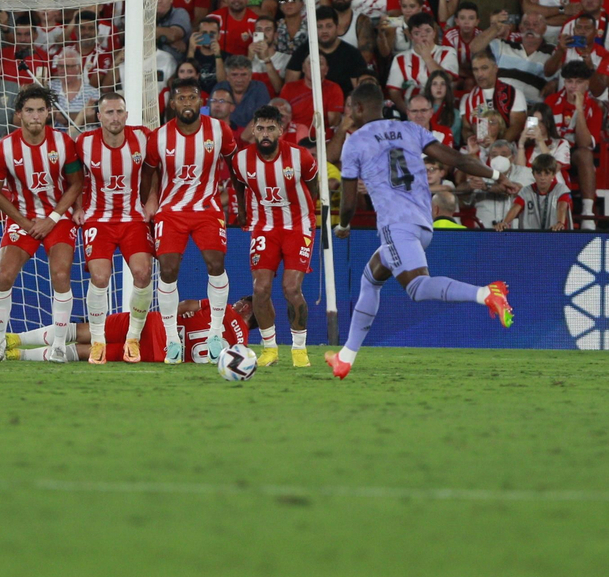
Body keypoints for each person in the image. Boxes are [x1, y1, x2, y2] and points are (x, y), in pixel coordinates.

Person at [329, 81, 511, 379]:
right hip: (423, 221)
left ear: (358, 108)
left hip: (396, 224)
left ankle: (485, 294)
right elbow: (457, 159)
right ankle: (345, 357)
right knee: (371, 278)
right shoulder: (409, 129)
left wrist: (343, 225)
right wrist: (495, 174)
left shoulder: (356, 141)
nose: (349, 113)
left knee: (417, 288)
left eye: (350, 107)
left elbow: (348, 201)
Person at [0, 86, 83, 363]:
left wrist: (52, 219)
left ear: (48, 112)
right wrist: (25, 223)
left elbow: (76, 184)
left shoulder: (63, 143)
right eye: (29, 110)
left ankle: (58, 345)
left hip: (58, 218)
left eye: (40, 110)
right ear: (19, 115)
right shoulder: (4, 148)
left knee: (60, 274)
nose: (35, 116)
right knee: (3, 276)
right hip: (23, 219)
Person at [147, 76, 238, 364]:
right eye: (181, 98)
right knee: (168, 270)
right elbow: (148, 173)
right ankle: (172, 340)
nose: (187, 103)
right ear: (173, 103)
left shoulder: (219, 130)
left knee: (216, 264)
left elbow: (235, 166)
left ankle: (215, 333)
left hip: (207, 208)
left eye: (192, 97)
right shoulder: (159, 137)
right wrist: (149, 201)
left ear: (201, 101)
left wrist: (241, 202)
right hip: (171, 211)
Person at [231, 105, 319, 368]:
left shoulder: (300, 157)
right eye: (260, 128)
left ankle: (299, 350)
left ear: (281, 130)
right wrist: (243, 211)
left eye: (271, 128)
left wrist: (305, 212)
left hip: (298, 226)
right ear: (253, 130)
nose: (265, 134)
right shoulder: (241, 160)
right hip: (264, 226)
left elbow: (313, 185)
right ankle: (269, 349)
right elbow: (238, 183)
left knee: (291, 288)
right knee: (260, 289)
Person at [73, 92, 155, 364]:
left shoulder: (142, 137)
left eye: (119, 112)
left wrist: (152, 200)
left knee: (143, 273)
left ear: (127, 114)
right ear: (99, 117)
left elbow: (157, 169)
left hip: (133, 218)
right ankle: (98, 341)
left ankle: (133, 338)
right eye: (109, 112)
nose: (115, 117)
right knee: (100, 277)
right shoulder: (85, 142)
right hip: (98, 219)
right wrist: (77, 206)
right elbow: (72, 176)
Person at [9, 295, 252, 364]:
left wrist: (182, 313)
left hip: (151, 326)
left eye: (240, 301)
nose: (236, 303)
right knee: (89, 352)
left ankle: (16, 340)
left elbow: (185, 305)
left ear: (246, 307)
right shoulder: (240, 348)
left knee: (87, 331)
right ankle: (19, 356)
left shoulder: (224, 309)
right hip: (155, 354)